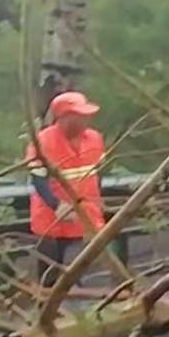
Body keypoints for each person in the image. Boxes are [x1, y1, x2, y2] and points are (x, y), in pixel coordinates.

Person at [26, 90, 107, 288]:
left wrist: (98, 200)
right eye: (80, 116)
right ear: (64, 117)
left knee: (81, 268)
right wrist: (57, 205)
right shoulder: (43, 141)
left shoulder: (94, 139)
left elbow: (98, 173)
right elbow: (38, 180)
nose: (86, 120)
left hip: (86, 215)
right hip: (52, 218)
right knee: (50, 272)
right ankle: (48, 305)